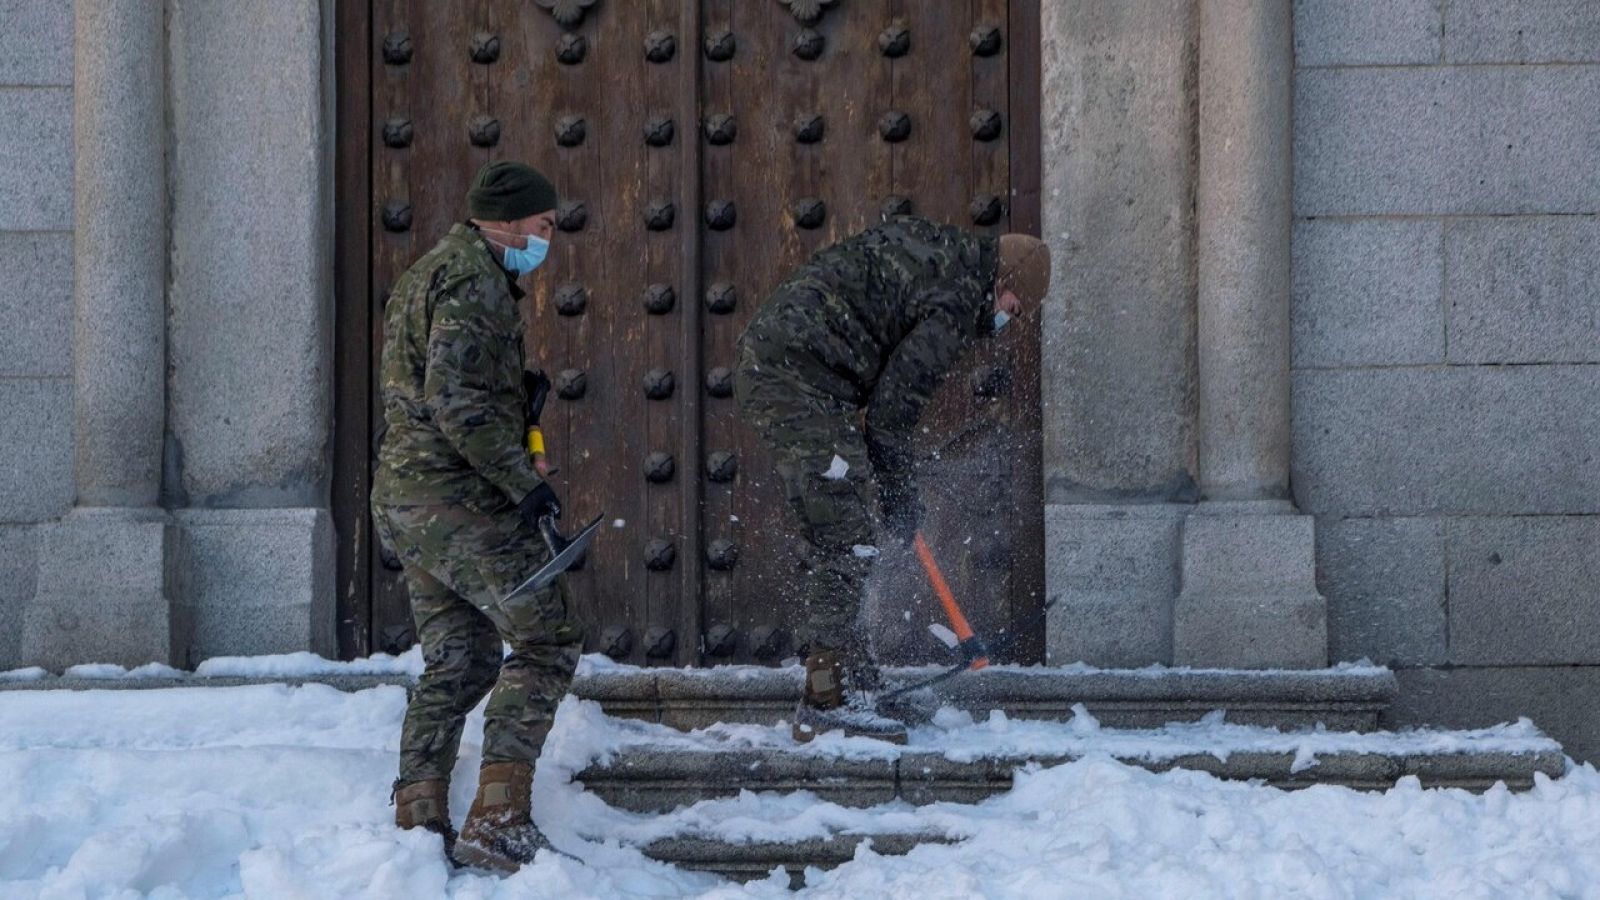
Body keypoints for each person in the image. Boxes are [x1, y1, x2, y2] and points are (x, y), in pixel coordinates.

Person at [734, 215, 1052, 744]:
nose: (1005, 321)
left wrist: (890, 488)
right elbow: (891, 414)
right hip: (794, 376)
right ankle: (826, 697)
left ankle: (855, 682)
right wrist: (902, 495)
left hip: (799, 370)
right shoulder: (954, 301)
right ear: (1004, 281)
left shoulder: (944, 264)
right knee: (846, 534)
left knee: (850, 526)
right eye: (1012, 308)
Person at [370, 161, 580, 872]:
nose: (548, 240)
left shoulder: (430, 273)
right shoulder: (474, 283)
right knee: (548, 638)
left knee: (461, 656)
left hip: (408, 494)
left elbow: (436, 389)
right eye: (544, 227)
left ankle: (419, 815)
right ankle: (497, 818)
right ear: (511, 221)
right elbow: (458, 403)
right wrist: (525, 484)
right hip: (451, 496)